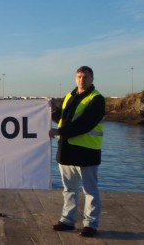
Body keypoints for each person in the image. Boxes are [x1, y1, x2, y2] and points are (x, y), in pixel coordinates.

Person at [48, 66, 105, 238]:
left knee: (90, 190)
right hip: (66, 151)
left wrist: (59, 132)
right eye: (79, 77)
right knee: (69, 189)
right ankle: (67, 220)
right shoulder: (69, 97)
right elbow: (63, 119)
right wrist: (53, 109)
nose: (82, 80)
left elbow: (85, 124)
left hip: (87, 152)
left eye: (86, 77)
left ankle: (90, 224)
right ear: (75, 79)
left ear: (92, 79)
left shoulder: (97, 99)